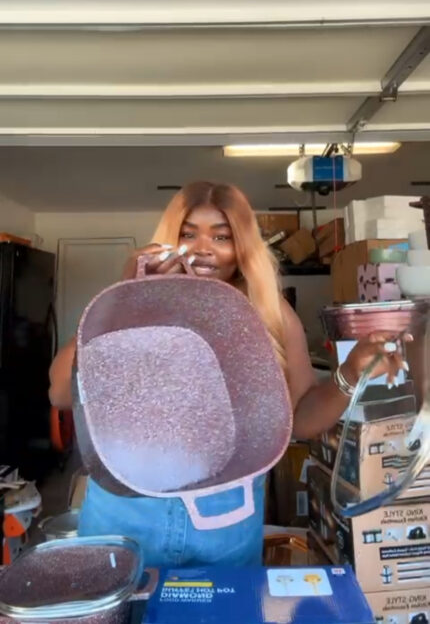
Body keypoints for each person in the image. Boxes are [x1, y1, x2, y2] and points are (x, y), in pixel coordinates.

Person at [49, 181, 408, 567]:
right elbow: (60, 393)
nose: (203, 248)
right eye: (188, 234)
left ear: (242, 247)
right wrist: (127, 295)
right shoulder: (130, 303)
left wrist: (351, 372)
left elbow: (301, 418)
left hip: (225, 520)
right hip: (127, 512)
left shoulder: (267, 313)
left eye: (222, 237)